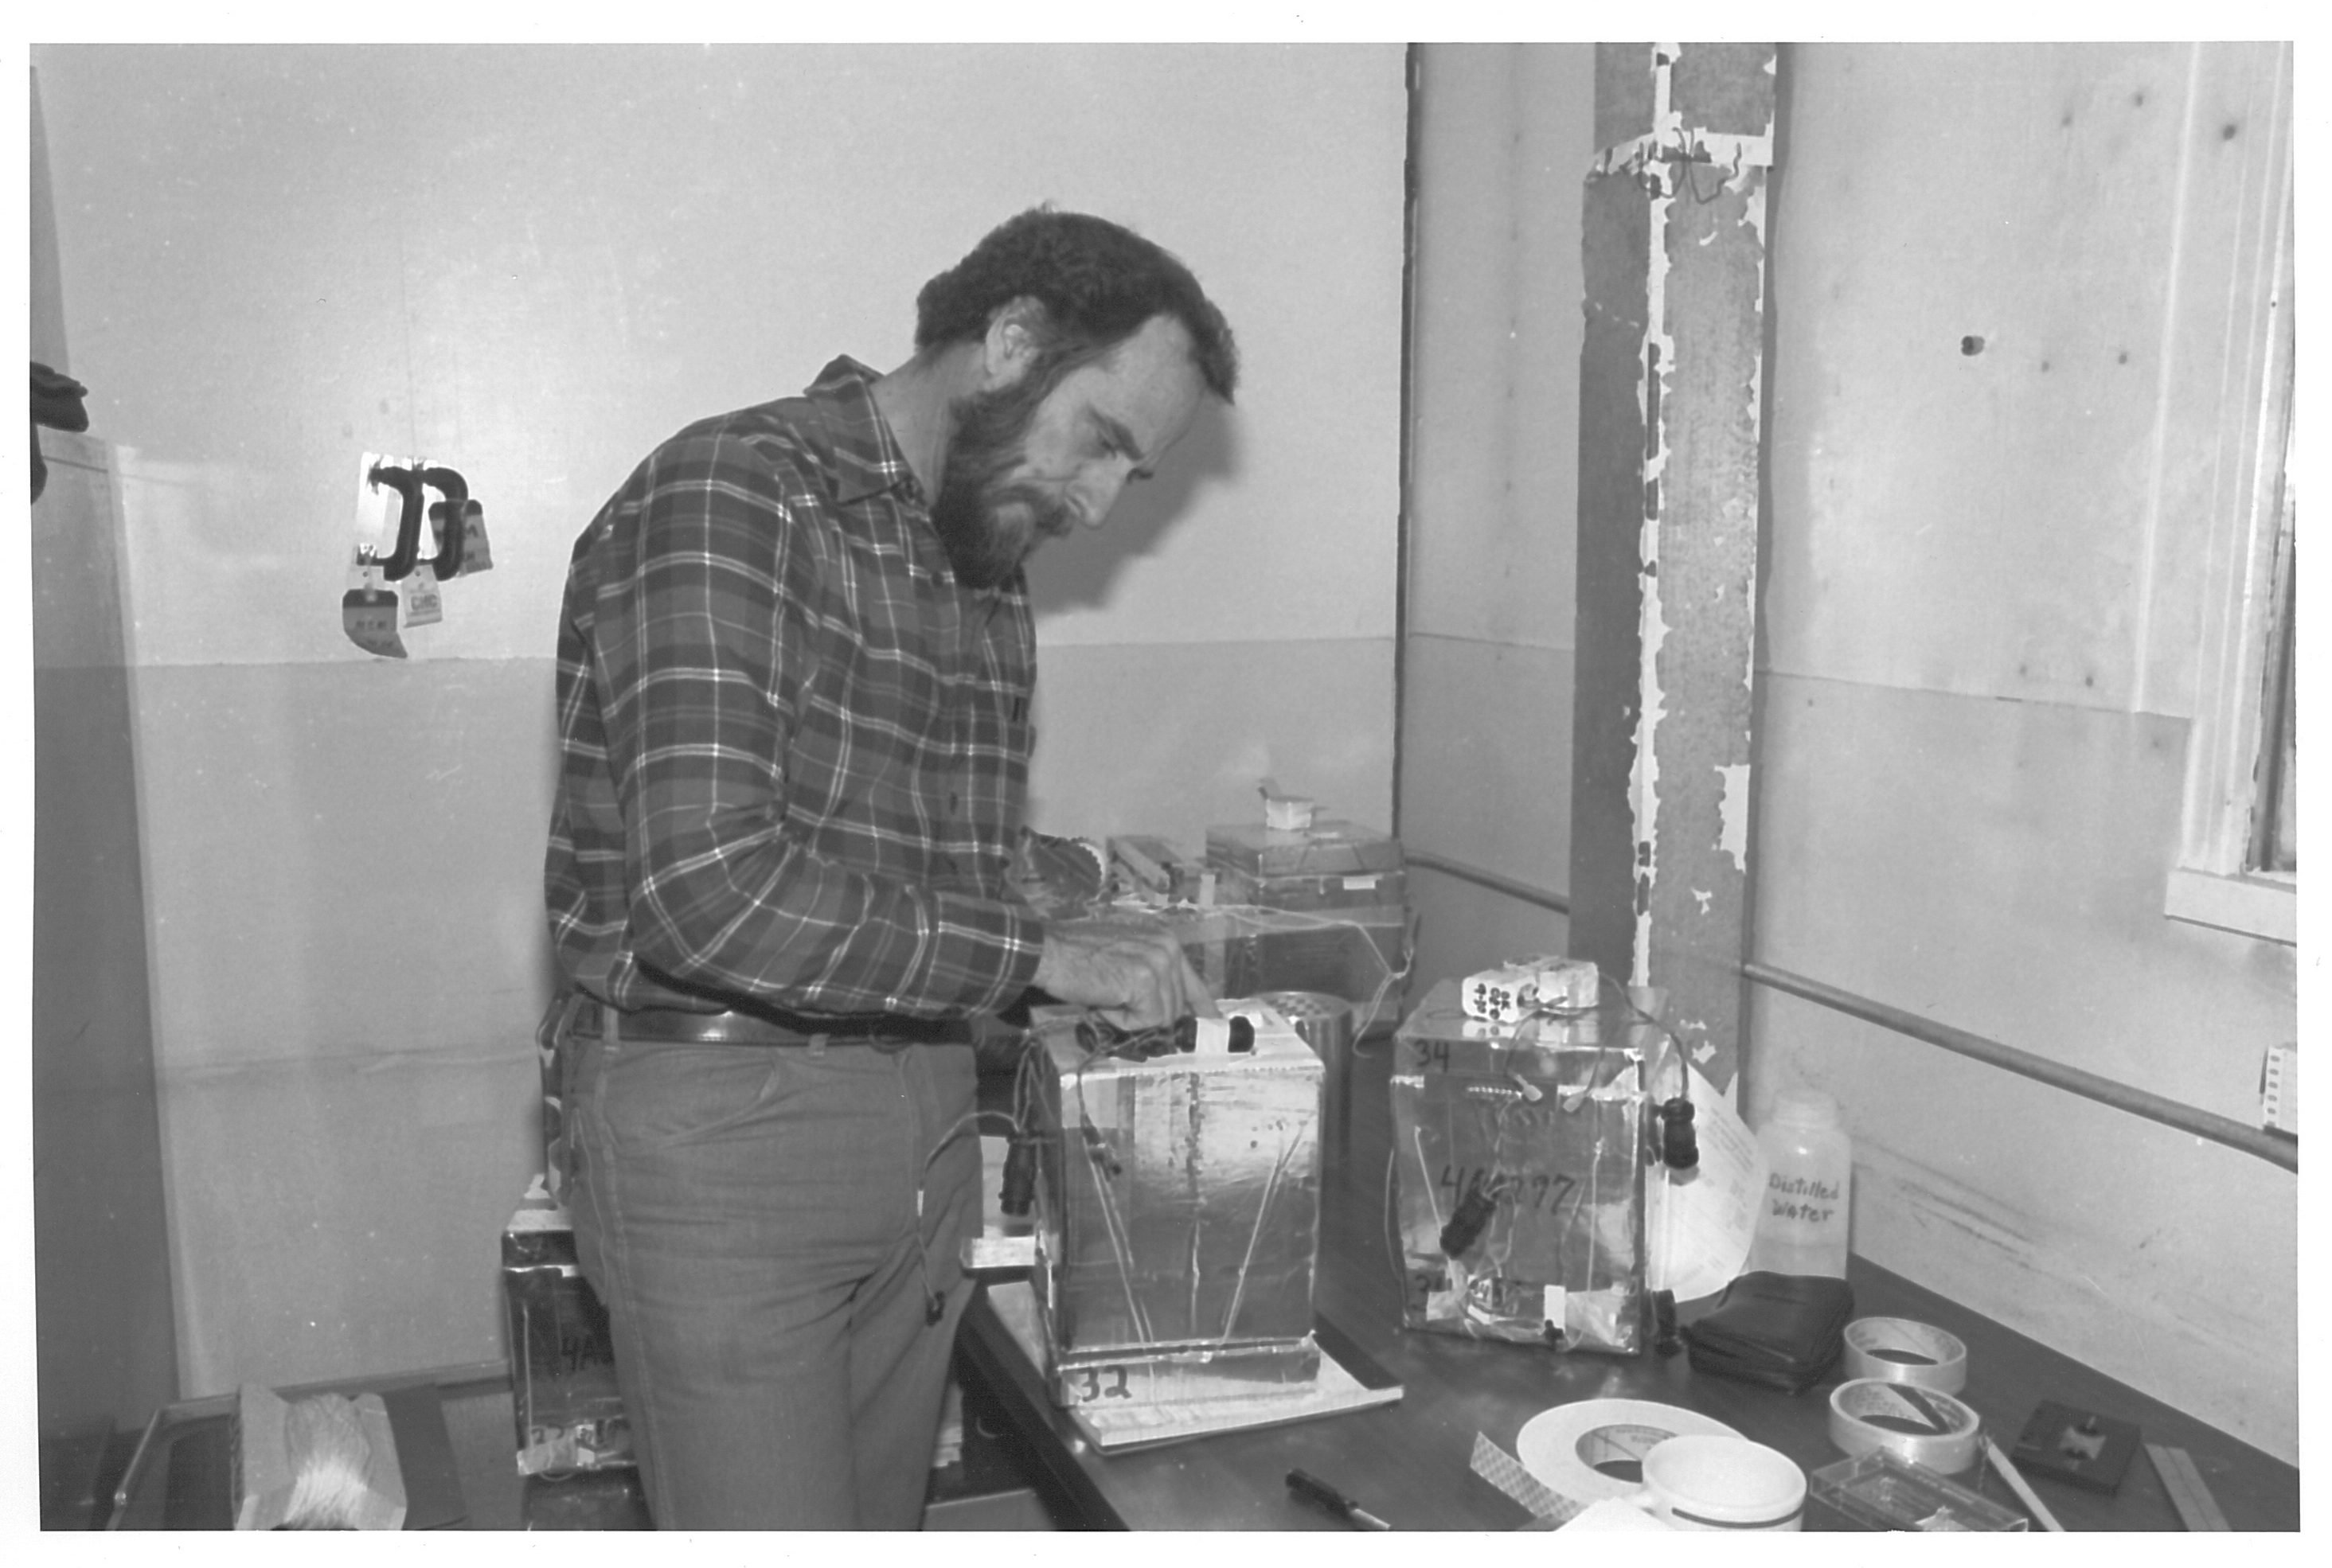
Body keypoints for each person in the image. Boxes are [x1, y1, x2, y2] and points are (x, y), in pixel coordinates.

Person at [542, 207, 1240, 1529]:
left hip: (919, 1124)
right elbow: (714, 894)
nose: (1095, 507)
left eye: (1129, 479)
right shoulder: (735, 491)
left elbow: (911, 866)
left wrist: (1081, 881)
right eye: (1100, 441)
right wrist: (1040, 952)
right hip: (724, 1131)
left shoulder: (978, 555)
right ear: (1011, 341)